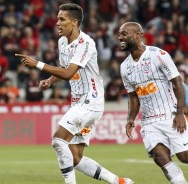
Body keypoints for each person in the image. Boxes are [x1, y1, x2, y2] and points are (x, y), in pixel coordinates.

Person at [16, 3, 133, 184]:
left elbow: (69, 73)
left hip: (90, 101)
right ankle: (119, 181)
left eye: (62, 19)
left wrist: (37, 64)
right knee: (75, 158)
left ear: (74, 22)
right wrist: (50, 80)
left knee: (58, 140)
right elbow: (64, 68)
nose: (57, 23)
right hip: (78, 102)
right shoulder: (62, 42)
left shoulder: (86, 43)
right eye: (57, 19)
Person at [119, 22, 188, 183]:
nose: (120, 37)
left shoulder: (158, 55)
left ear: (138, 35)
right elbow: (133, 97)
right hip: (149, 122)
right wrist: (131, 119)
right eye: (119, 34)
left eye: (124, 33)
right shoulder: (124, 67)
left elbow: (178, 83)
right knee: (161, 158)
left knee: (186, 157)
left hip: (170, 116)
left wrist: (180, 113)